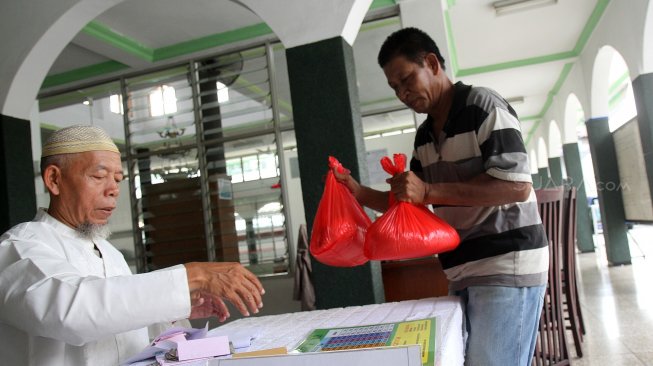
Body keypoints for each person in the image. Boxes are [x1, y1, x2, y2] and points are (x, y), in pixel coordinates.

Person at [334, 27, 548, 365]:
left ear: (432, 63)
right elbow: (408, 203)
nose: (402, 93)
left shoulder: (483, 105)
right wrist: (357, 191)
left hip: (505, 263)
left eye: (406, 80)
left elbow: (517, 185)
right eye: (394, 88)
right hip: (460, 269)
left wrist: (430, 190)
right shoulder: (423, 137)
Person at [0, 125, 265, 366]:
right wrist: (193, 276)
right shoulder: (18, 248)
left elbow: (120, 326)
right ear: (54, 180)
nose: (113, 189)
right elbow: (71, 312)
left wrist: (169, 311)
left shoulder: (109, 253)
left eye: (117, 179)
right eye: (99, 176)